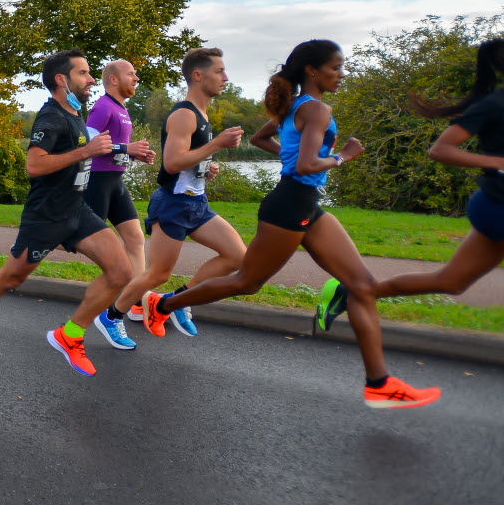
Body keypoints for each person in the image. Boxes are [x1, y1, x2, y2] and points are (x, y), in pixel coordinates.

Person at [317, 34, 504, 421]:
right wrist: (500, 162)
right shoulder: (494, 105)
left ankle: (354, 290)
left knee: (451, 281)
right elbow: (441, 149)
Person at [148, 39, 441, 409]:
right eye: (335, 67)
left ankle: (379, 384)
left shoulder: (295, 106)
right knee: (247, 282)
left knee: (362, 285)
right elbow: (305, 165)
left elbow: (261, 140)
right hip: (289, 207)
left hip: (306, 204)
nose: (342, 74)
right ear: (312, 71)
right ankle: (164, 304)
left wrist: (296, 158)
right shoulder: (316, 108)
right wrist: (342, 157)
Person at [0, 50, 135, 372]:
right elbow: (34, 165)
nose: (91, 80)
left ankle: (70, 335)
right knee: (11, 277)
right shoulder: (51, 117)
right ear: (62, 80)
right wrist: (86, 150)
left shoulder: (74, 113)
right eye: (83, 74)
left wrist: (117, 152)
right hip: (46, 215)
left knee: (121, 272)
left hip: (77, 209)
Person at [107, 48, 246, 346]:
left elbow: (187, 158)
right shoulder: (184, 113)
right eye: (219, 71)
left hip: (197, 203)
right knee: (157, 273)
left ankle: (175, 301)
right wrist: (217, 145)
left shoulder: (202, 113)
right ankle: (112, 316)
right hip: (173, 204)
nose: (225, 77)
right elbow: (170, 163)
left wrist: (206, 166)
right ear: (198, 75)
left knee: (237, 256)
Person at [81, 61, 154, 313]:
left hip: (116, 182)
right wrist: (127, 148)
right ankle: (41, 236)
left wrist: (135, 154)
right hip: (98, 182)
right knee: (86, 241)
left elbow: (116, 147)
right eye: (130, 74)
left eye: (135, 73)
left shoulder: (121, 108)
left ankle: (136, 300)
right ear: (113, 79)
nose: (136, 77)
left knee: (135, 238)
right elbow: (88, 141)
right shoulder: (102, 106)